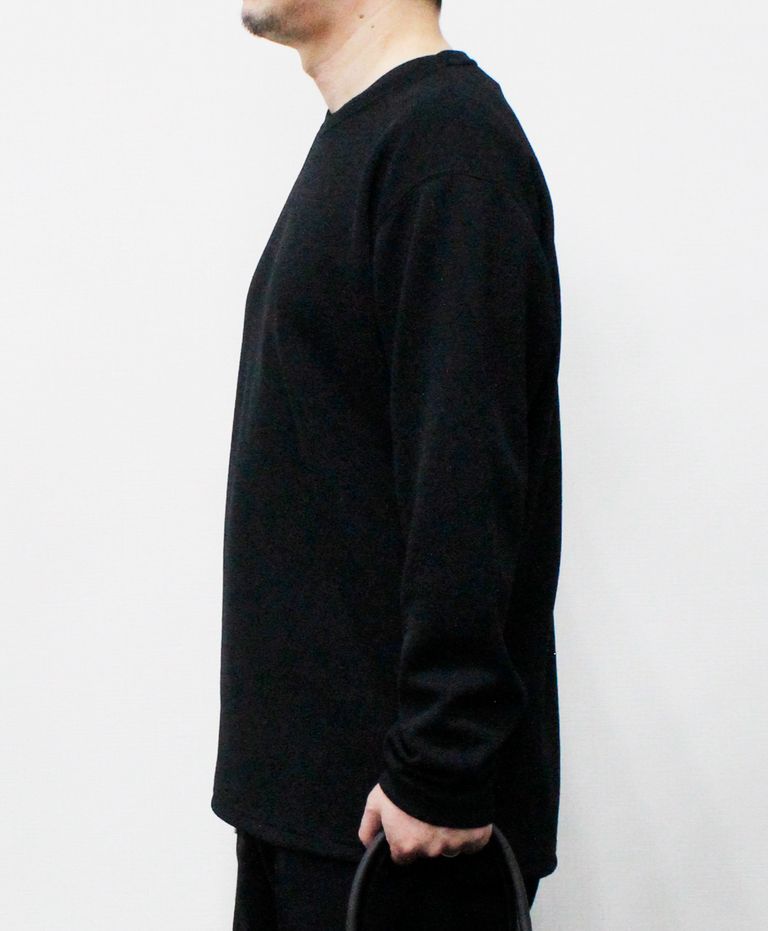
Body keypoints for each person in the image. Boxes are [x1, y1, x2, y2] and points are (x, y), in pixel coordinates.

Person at [211, 1, 563, 928]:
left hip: (398, 835)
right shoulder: (372, 138)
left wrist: (440, 763)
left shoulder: (448, 150)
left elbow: (468, 476)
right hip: (317, 816)